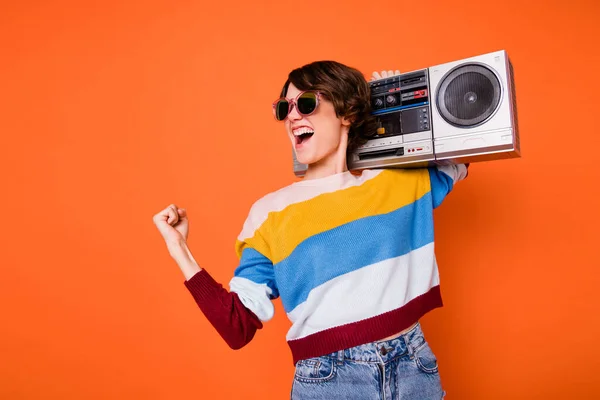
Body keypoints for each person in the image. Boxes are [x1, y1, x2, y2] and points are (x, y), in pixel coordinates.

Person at [153, 61, 468, 399]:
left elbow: (464, 154)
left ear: (345, 113)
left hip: (413, 367)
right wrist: (179, 249)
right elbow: (236, 327)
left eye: (306, 104)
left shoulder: (400, 179)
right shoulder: (270, 213)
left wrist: (397, 101)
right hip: (330, 380)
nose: (292, 117)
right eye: (283, 109)